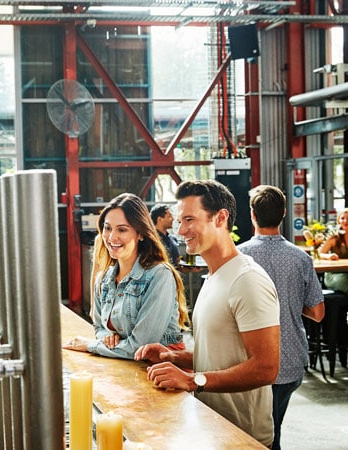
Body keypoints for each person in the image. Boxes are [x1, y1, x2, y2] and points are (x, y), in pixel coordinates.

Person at [134, 179, 280, 447]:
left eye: (189, 219)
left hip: (243, 437)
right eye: (179, 220)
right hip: (212, 428)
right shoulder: (214, 276)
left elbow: (266, 368)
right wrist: (173, 357)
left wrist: (192, 380)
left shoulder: (247, 280)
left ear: (220, 218)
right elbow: (221, 354)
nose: (180, 230)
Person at [237, 185, 324, 450]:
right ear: (284, 213)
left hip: (249, 360)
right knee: (273, 428)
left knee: (257, 434)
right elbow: (318, 313)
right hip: (289, 359)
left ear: (252, 215)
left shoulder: (239, 256)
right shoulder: (301, 257)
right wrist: (290, 302)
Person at [64, 193, 189, 360]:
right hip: (126, 365)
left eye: (122, 229)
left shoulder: (159, 276)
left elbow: (140, 348)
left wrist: (90, 345)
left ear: (141, 234)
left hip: (165, 369)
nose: (111, 237)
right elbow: (99, 326)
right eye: (107, 228)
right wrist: (106, 337)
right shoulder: (104, 279)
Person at [319, 207, 348, 294]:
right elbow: (319, 253)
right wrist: (328, 256)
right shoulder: (334, 237)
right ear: (338, 220)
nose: (345, 221)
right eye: (342, 218)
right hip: (334, 275)